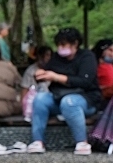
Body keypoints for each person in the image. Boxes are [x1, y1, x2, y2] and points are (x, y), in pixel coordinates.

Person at [27, 27, 102, 155]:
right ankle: (38, 141)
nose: (60, 47)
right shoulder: (56, 58)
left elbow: (85, 81)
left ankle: (82, 142)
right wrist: (41, 75)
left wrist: (57, 77)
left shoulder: (87, 57)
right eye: (58, 45)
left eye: (63, 44)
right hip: (58, 97)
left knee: (69, 102)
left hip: (86, 99)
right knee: (39, 99)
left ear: (75, 43)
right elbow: (48, 73)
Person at [20, 45, 52, 121]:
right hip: (34, 103)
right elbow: (24, 90)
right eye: (44, 55)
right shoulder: (30, 71)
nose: (46, 58)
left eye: (48, 55)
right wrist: (23, 107)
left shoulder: (54, 70)